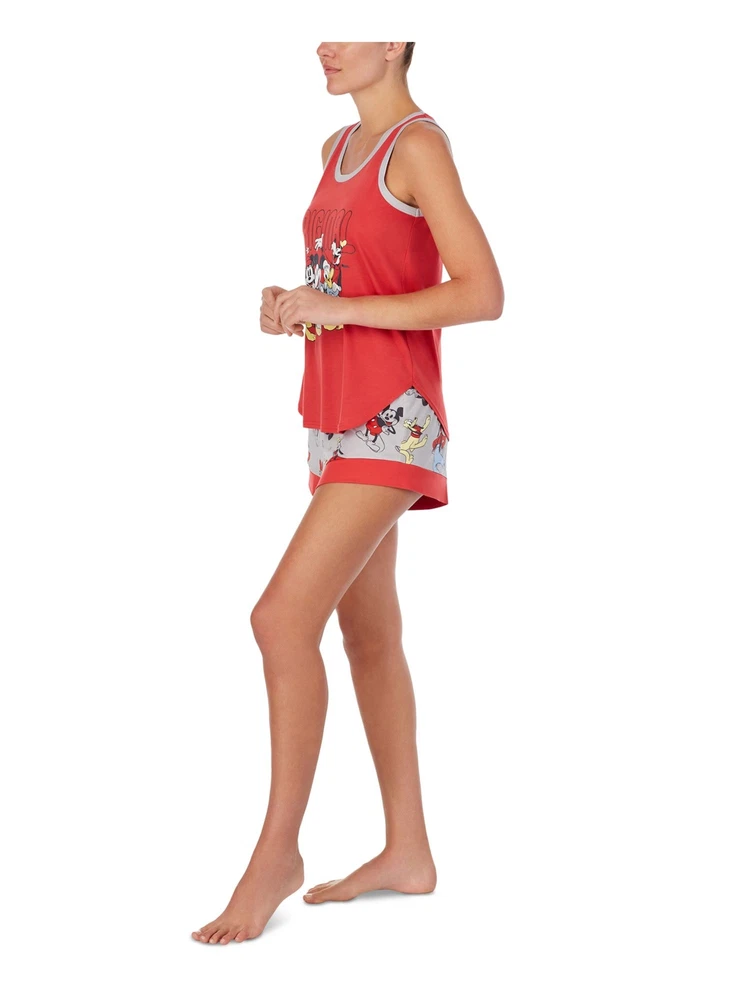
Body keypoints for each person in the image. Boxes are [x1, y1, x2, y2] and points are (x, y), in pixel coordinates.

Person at [192, 41, 504, 945]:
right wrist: (297, 304)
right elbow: (355, 280)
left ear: (398, 38)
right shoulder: (335, 148)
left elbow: (482, 293)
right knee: (369, 635)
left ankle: (274, 856)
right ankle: (408, 850)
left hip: (393, 419)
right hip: (331, 417)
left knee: (279, 619)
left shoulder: (419, 146)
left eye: (348, 24)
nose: (324, 43)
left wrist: (344, 310)